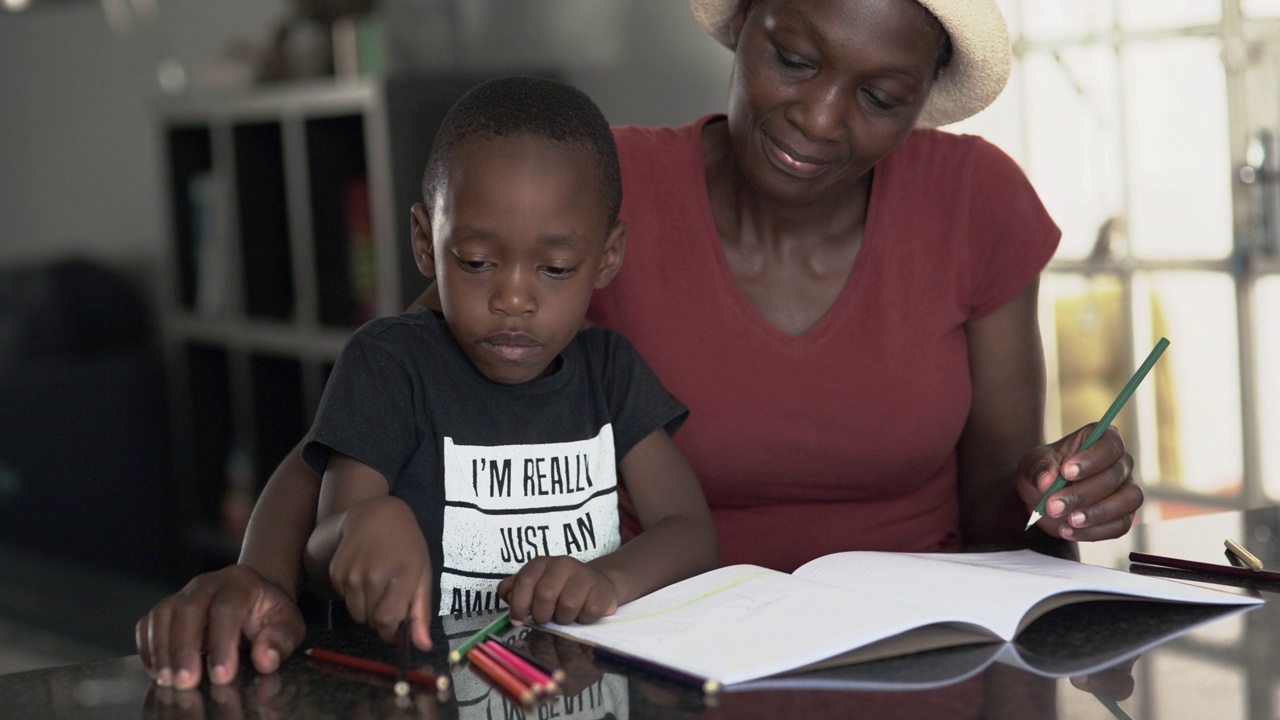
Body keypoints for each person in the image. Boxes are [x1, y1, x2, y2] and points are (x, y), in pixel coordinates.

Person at [137, 0, 1144, 691]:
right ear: (743, 21)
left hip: (916, 668)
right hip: (632, 665)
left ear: (923, 97)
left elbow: (997, 524)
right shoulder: (584, 187)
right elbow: (390, 403)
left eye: (881, 97)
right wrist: (258, 581)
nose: (818, 117)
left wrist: (1049, 499)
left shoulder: (974, 202)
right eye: (792, 58)